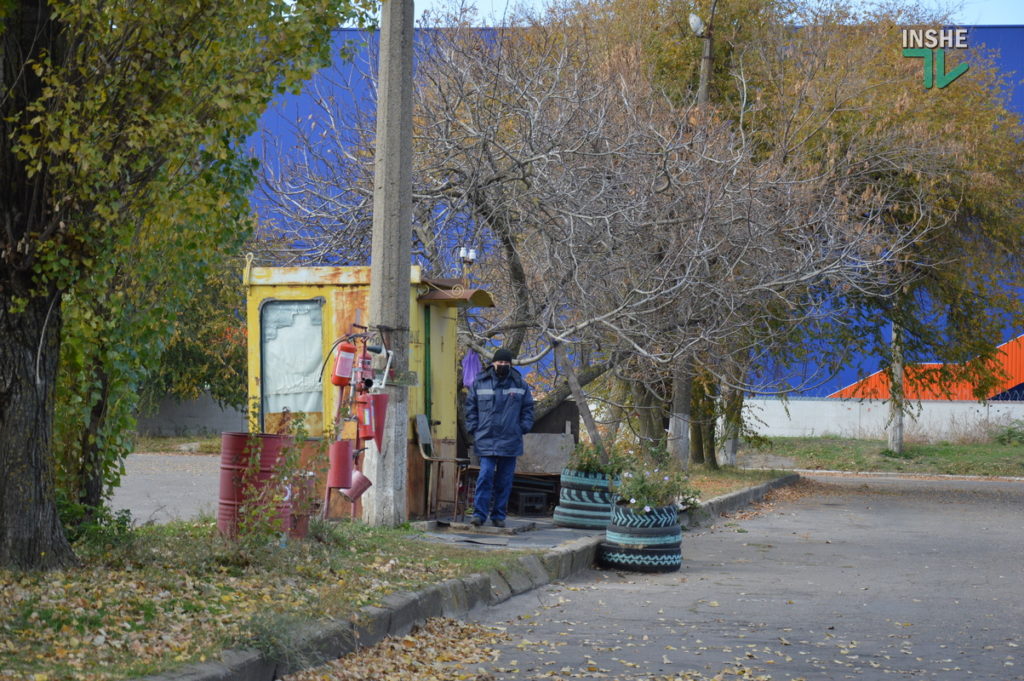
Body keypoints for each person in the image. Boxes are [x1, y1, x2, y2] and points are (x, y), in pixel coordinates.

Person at [464, 347, 534, 527]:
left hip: (510, 440)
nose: (502, 365)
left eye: (506, 363)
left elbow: (528, 409)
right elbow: (470, 408)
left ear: (510, 364)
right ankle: (479, 514)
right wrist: (474, 428)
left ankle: (498, 516)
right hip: (486, 438)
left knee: (504, 481)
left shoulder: (520, 384)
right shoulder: (480, 382)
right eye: (500, 362)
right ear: (493, 363)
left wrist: (522, 428)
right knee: (485, 476)